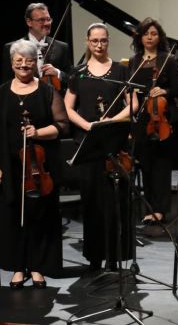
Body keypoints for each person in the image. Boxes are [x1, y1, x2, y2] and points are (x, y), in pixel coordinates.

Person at [0, 39, 67, 288]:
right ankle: (18, 267)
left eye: (28, 60)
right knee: (11, 218)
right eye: (18, 60)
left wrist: (38, 133)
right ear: (12, 63)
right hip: (9, 167)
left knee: (41, 217)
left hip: (41, 168)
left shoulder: (48, 91)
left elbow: (62, 126)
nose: (23, 65)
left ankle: (38, 266)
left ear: (35, 63)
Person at [63, 23, 133, 271]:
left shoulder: (121, 70)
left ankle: (115, 257)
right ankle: (94, 257)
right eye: (95, 41)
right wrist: (88, 125)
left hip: (114, 143)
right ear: (87, 41)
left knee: (116, 202)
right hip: (88, 144)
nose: (99, 45)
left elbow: (133, 103)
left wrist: (111, 121)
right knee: (92, 202)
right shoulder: (78, 72)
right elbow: (68, 108)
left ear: (108, 41)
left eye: (103, 40)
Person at [127, 18, 178, 226]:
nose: (150, 37)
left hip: (162, 117)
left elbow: (177, 89)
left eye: (154, 34)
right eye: (146, 34)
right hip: (141, 117)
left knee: (161, 165)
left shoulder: (168, 59)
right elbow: (130, 89)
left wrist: (164, 91)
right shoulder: (134, 61)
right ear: (140, 37)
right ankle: (149, 208)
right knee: (146, 165)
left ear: (160, 37)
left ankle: (160, 209)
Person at [1, 3, 73, 90]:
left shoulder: (62, 47)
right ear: (29, 22)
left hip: (54, 100)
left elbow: (72, 79)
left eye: (48, 19)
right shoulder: (12, 47)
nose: (47, 23)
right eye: (41, 20)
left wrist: (57, 73)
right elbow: (6, 82)